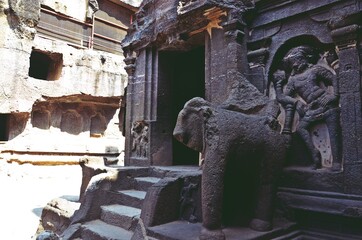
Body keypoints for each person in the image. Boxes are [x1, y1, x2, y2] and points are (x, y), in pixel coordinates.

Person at [273, 45, 341, 170]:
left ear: (303, 59)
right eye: (293, 63)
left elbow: (334, 78)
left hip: (327, 104)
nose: (295, 65)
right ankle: (315, 155)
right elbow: (283, 98)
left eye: (297, 62)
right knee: (301, 128)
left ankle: (336, 162)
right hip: (312, 108)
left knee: (334, 131)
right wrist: (280, 87)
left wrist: (334, 96)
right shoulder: (293, 80)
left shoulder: (315, 70)